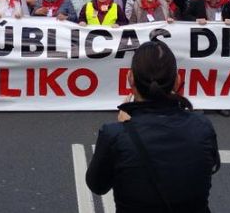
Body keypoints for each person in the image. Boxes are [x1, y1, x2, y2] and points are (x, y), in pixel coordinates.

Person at [86, 40, 220, 212]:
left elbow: (97, 185)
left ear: (130, 78)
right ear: (177, 81)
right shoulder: (203, 126)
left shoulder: (115, 135)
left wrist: (125, 129)